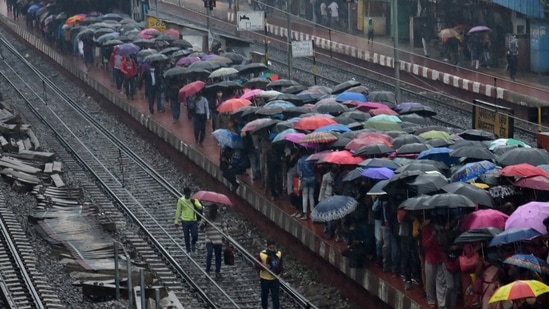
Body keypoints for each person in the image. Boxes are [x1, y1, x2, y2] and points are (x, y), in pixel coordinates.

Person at [199, 204, 227, 280]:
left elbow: (224, 227)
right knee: (209, 254)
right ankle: (207, 271)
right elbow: (201, 227)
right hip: (209, 239)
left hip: (218, 240)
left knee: (218, 257)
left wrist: (226, 237)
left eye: (215, 211)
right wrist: (204, 224)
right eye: (212, 211)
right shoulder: (206, 217)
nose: (213, 212)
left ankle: (217, 272)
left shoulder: (220, 217)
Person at [174, 187, 203, 254]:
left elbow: (200, 207)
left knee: (195, 236)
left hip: (193, 220)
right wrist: (176, 221)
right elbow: (178, 211)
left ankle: (193, 243)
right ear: (184, 193)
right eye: (187, 194)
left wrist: (194, 202)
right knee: (186, 235)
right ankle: (188, 250)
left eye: (189, 194)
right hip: (185, 220)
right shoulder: (181, 200)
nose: (188, 195)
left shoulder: (193, 199)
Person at [255, 240, 283, 309]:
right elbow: (257, 265)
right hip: (268, 278)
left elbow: (256, 265)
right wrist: (264, 267)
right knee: (271, 296)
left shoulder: (263, 254)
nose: (272, 248)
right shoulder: (262, 254)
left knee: (269, 296)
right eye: (271, 247)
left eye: (273, 247)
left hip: (272, 278)